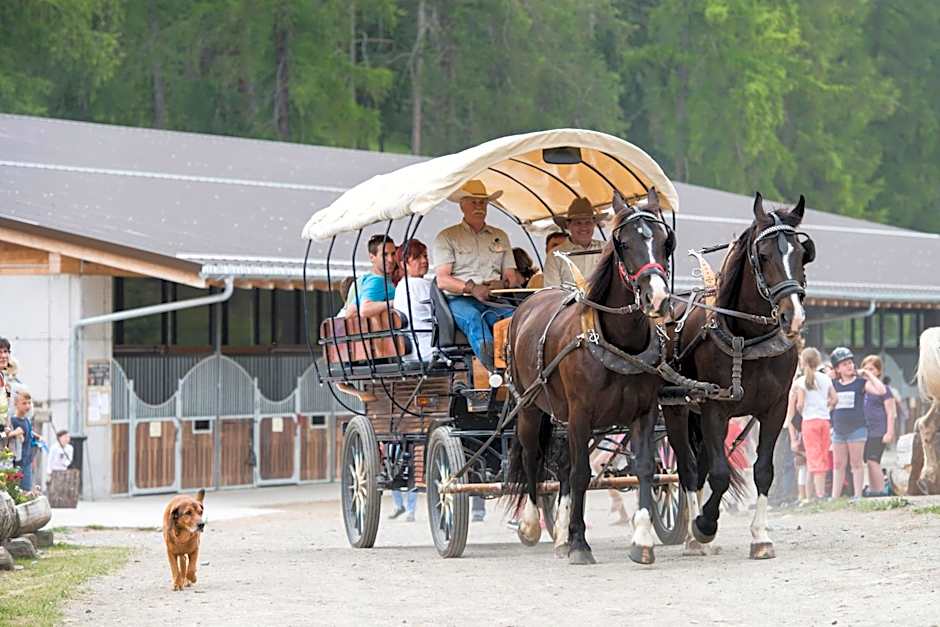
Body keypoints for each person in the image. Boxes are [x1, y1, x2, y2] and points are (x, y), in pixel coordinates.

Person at [432, 179, 523, 371]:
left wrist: (503, 284)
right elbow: (443, 280)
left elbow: (511, 277)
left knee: (518, 319)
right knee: (474, 319)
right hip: (460, 300)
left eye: (482, 202)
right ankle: (495, 371)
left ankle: (521, 368)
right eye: (473, 202)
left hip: (494, 298)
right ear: (462, 205)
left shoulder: (500, 236)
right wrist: (472, 288)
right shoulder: (447, 237)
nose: (479, 206)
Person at [829, 347, 886, 500]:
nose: (849, 366)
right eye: (844, 364)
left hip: (857, 429)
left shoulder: (861, 383)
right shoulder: (834, 384)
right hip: (838, 430)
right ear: (838, 369)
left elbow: (881, 391)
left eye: (850, 363)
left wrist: (867, 374)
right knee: (838, 464)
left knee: (856, 463)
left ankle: (857, 495)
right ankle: (835, 496)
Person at [792, 347, 837, 500]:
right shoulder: (825, 379)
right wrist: (826, 408)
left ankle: (815, 494)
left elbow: (799, 405)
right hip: (824, 421)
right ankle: (820, 492)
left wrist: (803, 411)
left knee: (813, 458)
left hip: (809, 422)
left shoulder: (800, 382)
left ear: (803, 362)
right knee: (823, 456)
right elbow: (834, 399)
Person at [541, 197, 607, 287]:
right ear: (568, 225)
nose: (583, 227)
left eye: (588, 222)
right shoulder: (555, 256)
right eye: (578, 223)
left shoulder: (607, 249)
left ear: (594, 224)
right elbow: (553, 291)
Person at [859, 355, 896, 496]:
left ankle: (880, 490)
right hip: (865, 430)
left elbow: (891, 412)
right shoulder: (862, 388)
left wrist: (889, 432)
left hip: (878, 429)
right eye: (866, 369)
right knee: (868, 461)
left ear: (879, 371)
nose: (868, 372)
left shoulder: (884, 389)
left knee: (874, 460)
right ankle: (874, 489)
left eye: (872, 369)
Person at [392, 239, 434, 362]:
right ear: (403, 264)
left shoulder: (400, 286)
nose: (424, 261)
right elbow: (445, 316)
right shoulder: (421, 284)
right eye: (417, 258)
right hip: (430, 349)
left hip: (409, 352)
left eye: (425, 256)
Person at [344, 234, 397, 319]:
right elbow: (365, 310)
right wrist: (395, 302)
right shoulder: (377, 281)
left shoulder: (365, 280)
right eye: (385, 255)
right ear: (372, 257)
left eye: (393, 254)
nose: (391, 259)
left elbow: (350, 311)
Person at [7, 386, 42, 491]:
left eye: (29, 403)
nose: (27, 406)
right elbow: (6, 435)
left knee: (26, 488)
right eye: (24, 403)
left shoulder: (26, 420)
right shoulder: (13, 420)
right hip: (18, 461)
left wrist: (35, 435)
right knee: (21, 489)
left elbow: (27, 431)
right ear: (16, 404)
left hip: (27, 459)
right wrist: (15, 433)